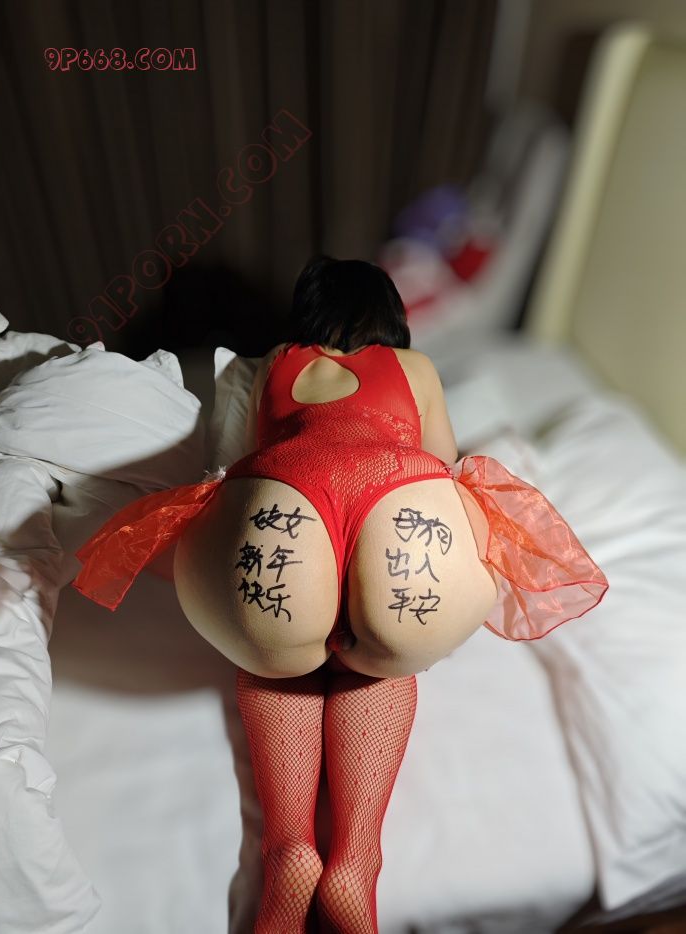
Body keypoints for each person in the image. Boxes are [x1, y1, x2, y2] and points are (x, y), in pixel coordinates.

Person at [72, 255, 609, 933]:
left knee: (277, 665)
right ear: (389, 319)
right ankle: (356, 857)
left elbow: (229, 459)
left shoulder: (270, 364)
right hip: (403, 530)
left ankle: (289, 848)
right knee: (378, 663)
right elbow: (444, 464)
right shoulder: (415, 368)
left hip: (283, 522)